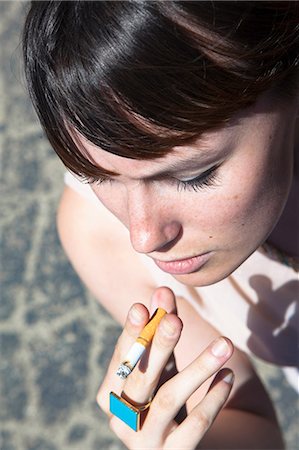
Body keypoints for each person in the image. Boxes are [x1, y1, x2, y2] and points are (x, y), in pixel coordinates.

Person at [22, 1, 298, 448]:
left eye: (192, 176)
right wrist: (189, 437)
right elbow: (248, 419)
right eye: (97, 174)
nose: (143, 236)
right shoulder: (97, 233)